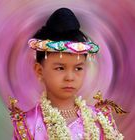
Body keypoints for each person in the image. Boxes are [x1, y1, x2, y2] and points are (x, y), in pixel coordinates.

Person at [10, 7, 124, 140]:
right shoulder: (28, 124)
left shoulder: (100, 120)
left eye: (78, 68)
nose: (70, 77)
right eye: (60, 68)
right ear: (39, 70)